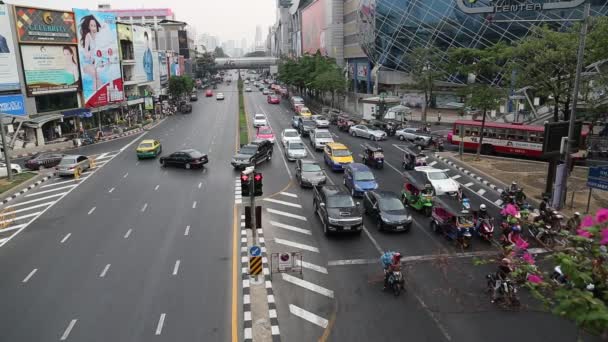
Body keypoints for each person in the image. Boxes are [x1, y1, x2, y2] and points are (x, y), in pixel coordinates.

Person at [79, 14, 103, 91]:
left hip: (94, 62)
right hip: (86, 62)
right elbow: (86, 50)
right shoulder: (88, 36)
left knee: (97, 77)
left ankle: (99, 94)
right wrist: (89, 56)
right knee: (95, 75)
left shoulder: (99, 35)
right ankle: (95, 95)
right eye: (91, 25)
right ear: (89, 27)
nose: (93, 27)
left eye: (95, 25)